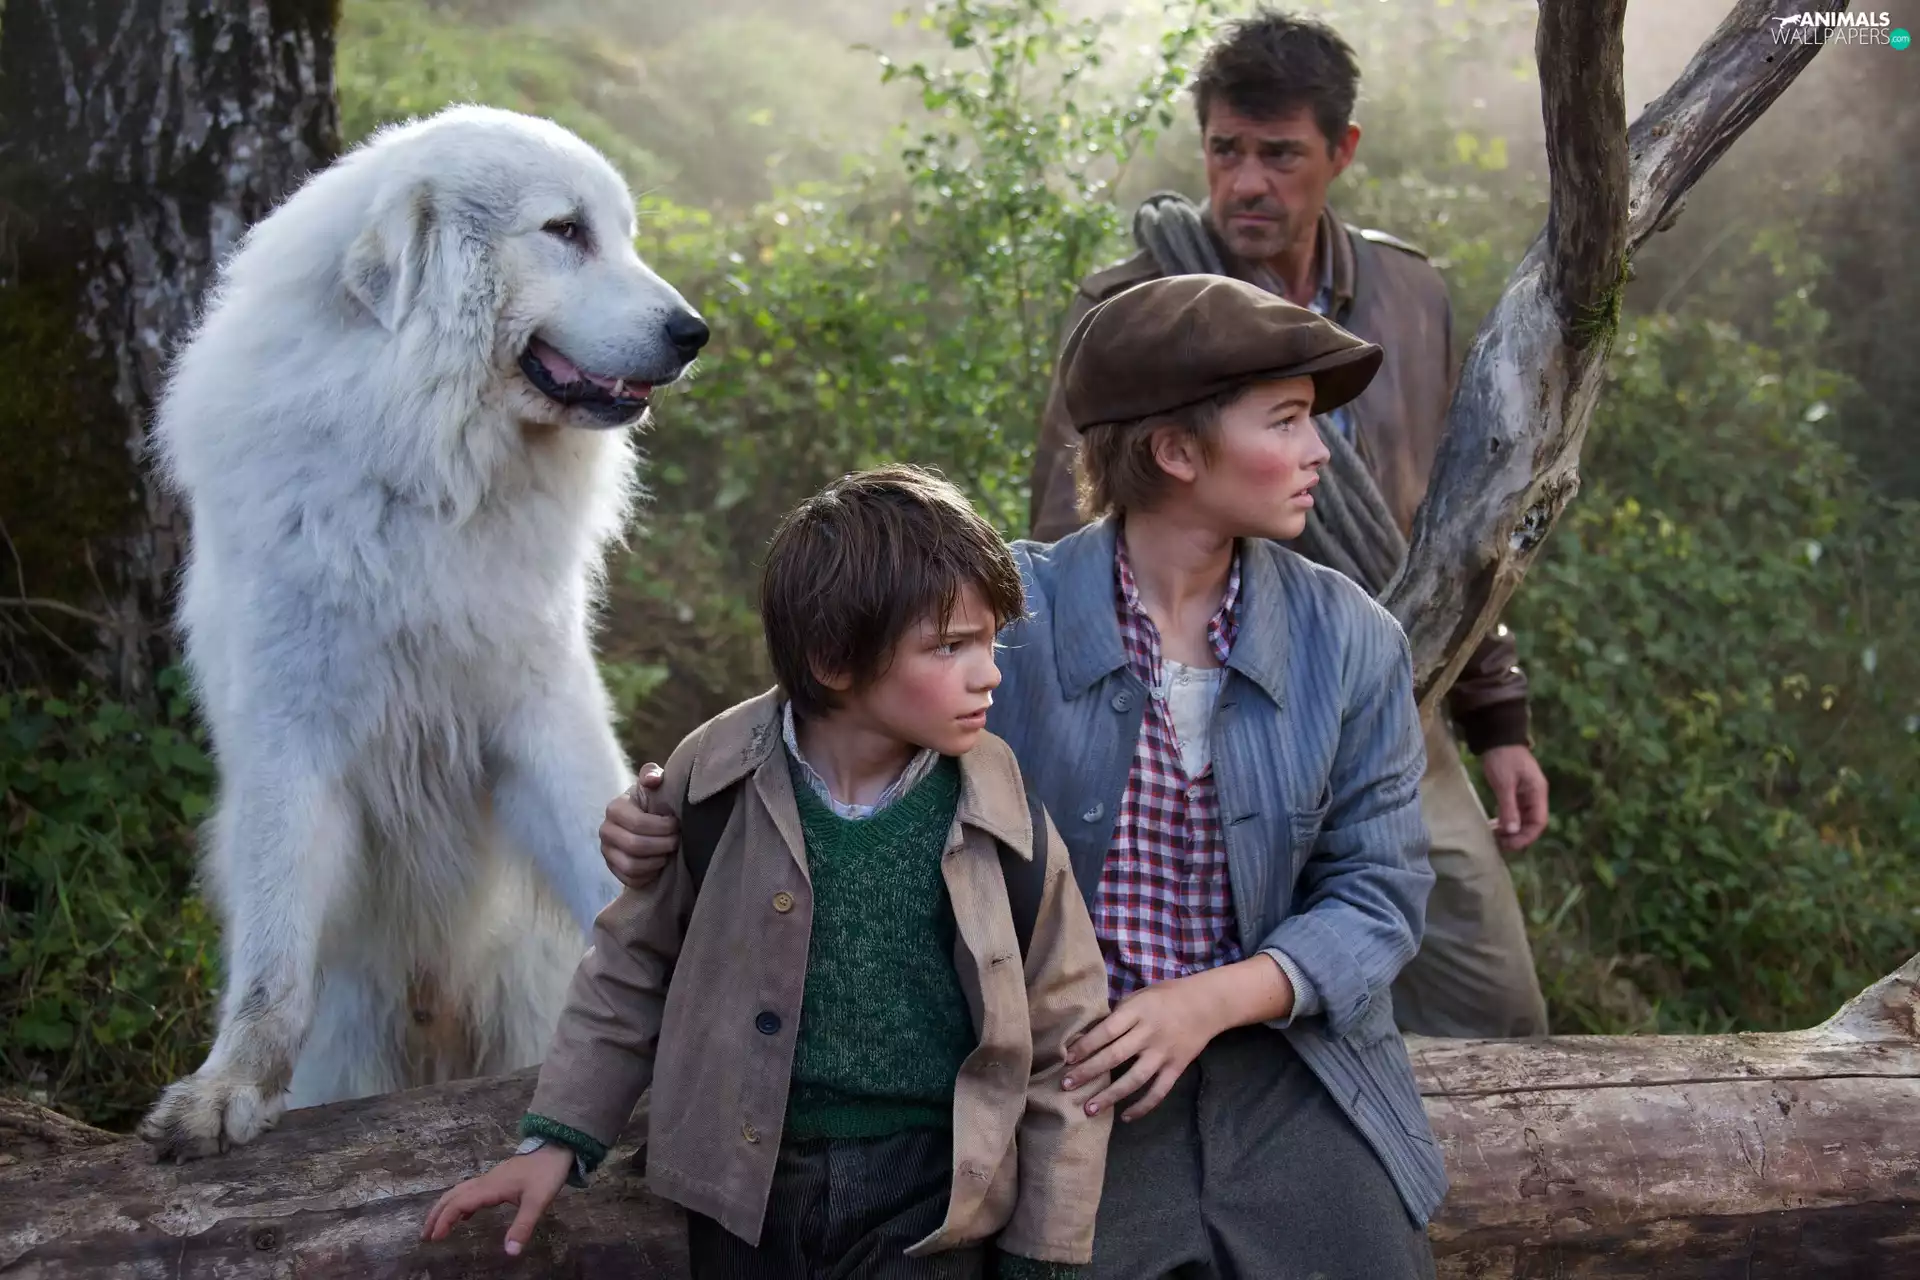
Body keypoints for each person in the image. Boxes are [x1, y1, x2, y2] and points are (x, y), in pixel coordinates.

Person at [607, 275, 1445, 1278]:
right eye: (1290, 421)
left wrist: (1207, 1001)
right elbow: (829, 715)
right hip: (1064, 1075)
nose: (1324, 452)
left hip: (1291, 1071)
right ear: (1178, 452)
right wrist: (664, 803)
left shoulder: (1352, 640)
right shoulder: (1005, 613)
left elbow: (1381, 892)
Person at [422, 467, 1114, 1278]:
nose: (988, 671)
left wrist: (1045, 1251)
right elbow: (632, 967)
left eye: (989, 642)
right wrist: (556, 1140)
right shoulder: (712, 781)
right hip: (743, 1185)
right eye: (950, 646)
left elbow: (1066, 1039)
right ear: (832, 660)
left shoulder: (1004, 813)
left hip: (931, 1195)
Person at [1027, 8, 1550, 1039]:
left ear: (1340, 151)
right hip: (1191, 704)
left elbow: (1443, 533)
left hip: (1394, 694)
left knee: (1497, 1010)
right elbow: (1071, 527)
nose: (1247, 182)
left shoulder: (1406, 297)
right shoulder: (1134, 308)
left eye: (1280, 153)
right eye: (1226, 149)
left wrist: (1497, 715)